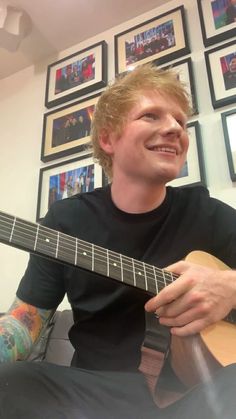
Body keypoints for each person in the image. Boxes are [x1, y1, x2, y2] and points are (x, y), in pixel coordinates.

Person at [0, 64, 236, 419]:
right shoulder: (66, 220)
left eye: (180, 121)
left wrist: (229, 287)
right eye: (151, 115)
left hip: (197, 396)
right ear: (108, 139)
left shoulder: (208, 213)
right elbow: (23, 323)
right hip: (91, 398)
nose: (173, 128)